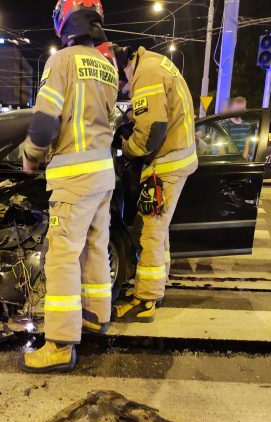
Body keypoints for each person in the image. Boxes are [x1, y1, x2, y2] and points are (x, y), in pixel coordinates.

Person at [18, 0, 118, 373]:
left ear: (65, 20)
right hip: (102, 174)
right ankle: (94, 317)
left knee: (61, 257)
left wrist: (30, 157)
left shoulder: (61, 61)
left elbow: (44, 122)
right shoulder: (108, 67)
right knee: (95, 249)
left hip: (73, 178)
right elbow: (109, 120)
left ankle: (59, 344)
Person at [110, 45, 198, 322]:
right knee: (159, 230)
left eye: (121, 83)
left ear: (123, 67)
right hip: (176, 157)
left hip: (167, 164)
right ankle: (156, 287)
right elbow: (154, 114)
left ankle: (145, 299)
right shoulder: (155, 63)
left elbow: (154, 129)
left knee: (149, 229)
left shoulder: (145, 73)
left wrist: (129, 148)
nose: (124, 89)